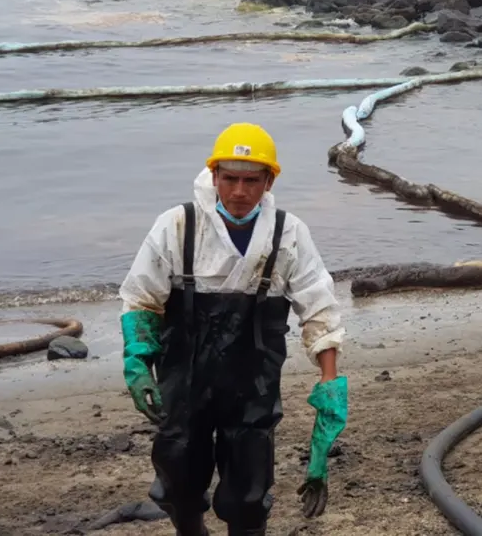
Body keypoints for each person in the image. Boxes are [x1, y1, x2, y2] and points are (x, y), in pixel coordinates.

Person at [118, 122, 348, 536]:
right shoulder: (177, 226)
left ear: (269, 181)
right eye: (229, 179)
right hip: (184, 378)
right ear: (214, 176)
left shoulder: (288, 234)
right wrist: (137, 363)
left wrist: (330, 384)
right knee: (178, 476)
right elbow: (141, 299)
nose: (239, 192)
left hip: (253, 383)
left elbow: (319, 309)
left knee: (248, 491)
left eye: (251, 180)